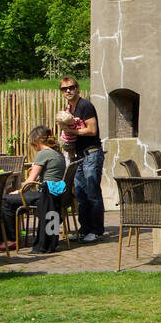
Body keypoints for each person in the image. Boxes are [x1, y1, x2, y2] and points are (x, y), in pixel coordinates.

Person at [1, 126, 67, 250]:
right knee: (13, 199)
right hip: (55, 195)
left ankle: (12, 239)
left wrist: (19, 191)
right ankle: (19, 235)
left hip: (44, 196)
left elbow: (30, 181)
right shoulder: (58, 153)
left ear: (36, 141)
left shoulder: (43, 153)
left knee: (6, 200)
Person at [60, 77, 104, 242]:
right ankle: (85, 229)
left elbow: (92, 130)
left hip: (91, 153)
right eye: (64, 89)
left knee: (92, 192)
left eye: (71, 87)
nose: (68, 91)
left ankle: (96, 230)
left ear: (77, 88)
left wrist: (73, 133)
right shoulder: (68, 109)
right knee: (80, 194)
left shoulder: (85, 106)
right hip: (78, 156)